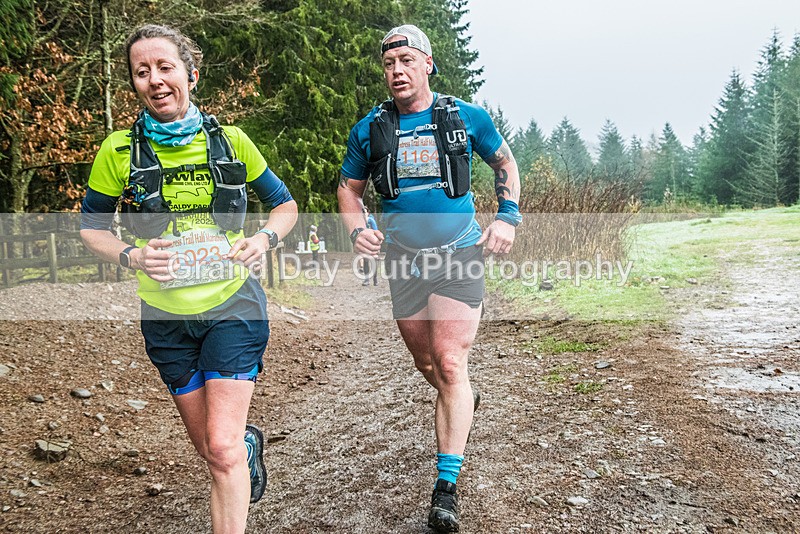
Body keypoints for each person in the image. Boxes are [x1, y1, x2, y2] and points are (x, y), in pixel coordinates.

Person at [80, 24, 297, 534]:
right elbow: (91, 228)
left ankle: (236, 454)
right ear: (133, 84)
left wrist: (264, 239)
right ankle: (247, 444)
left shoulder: (232, 141)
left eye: (165, 67)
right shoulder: (116, 152)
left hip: (232, 308)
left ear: (190, 75)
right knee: (212, 448)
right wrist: (131, 255)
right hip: (165, 320)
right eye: (142, 71)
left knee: (219, 451)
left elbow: (283, 205)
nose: (154, 79)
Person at [337, 24, 521, 533]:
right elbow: (348, 189)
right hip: (403, 261)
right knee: (427, 362)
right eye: (389, 64)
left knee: (449, 359)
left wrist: (507, 215)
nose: (397, 71)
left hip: (460, 253)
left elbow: (504, 161)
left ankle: (446, 489)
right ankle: (460, 396)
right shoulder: (370, 130)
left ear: (428, 64)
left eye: (407, 61)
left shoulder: (464, 117)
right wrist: (357, 231)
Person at [361, 207, 379, 286]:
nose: (363, 213)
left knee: (374, 261)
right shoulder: (360, 222)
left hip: (372, 243)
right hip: (365, 243)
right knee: (366, 261)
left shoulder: (371, 220)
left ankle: (375, 279)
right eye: (362, 212)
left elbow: (376, 231)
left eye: (364, 211)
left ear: (368, 212)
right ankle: (367, 279)